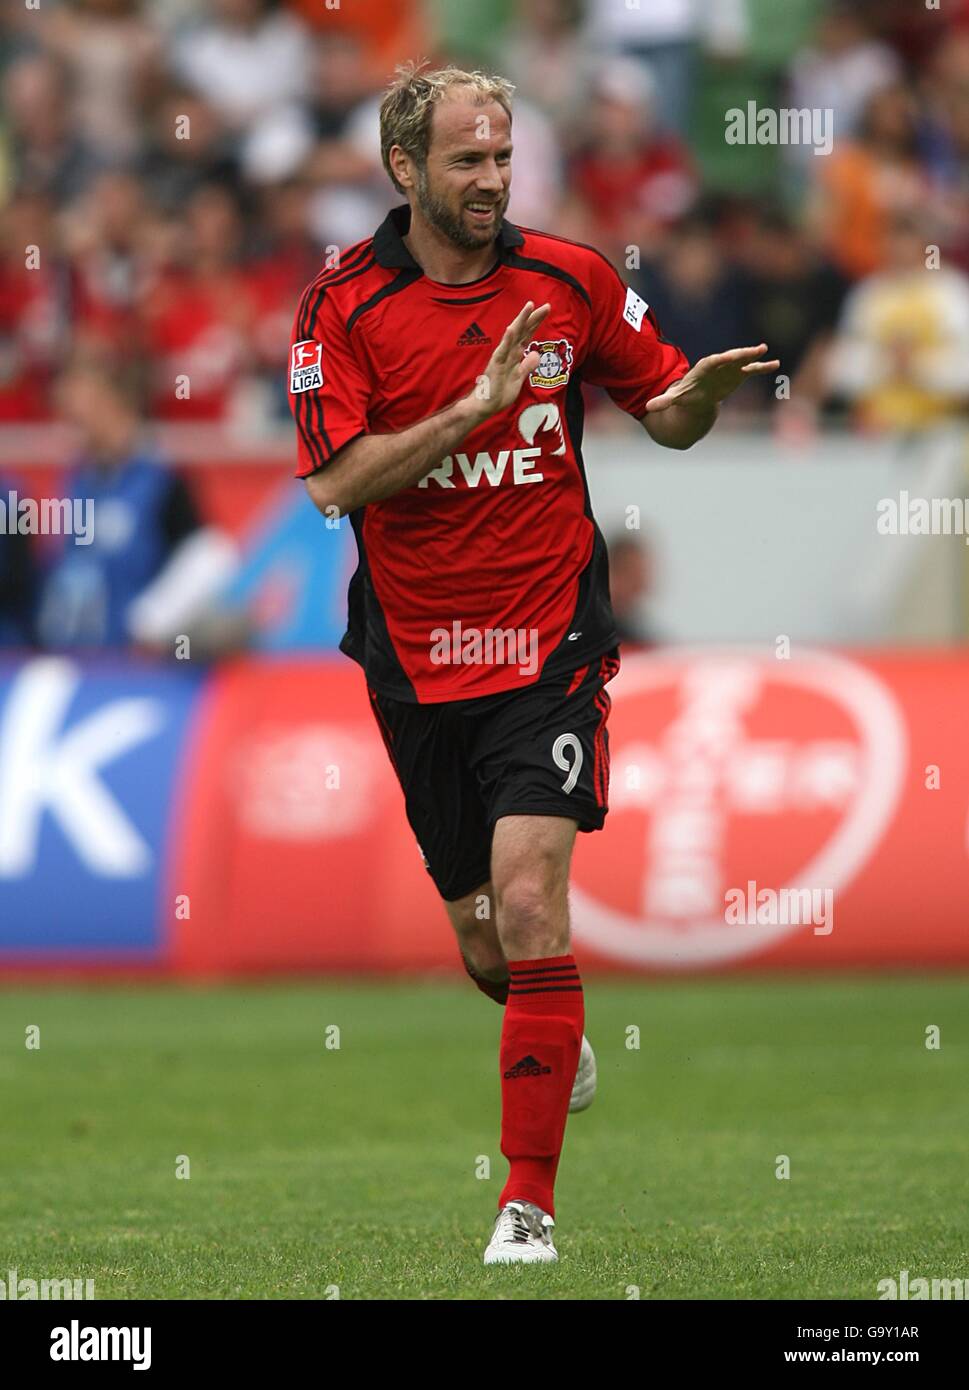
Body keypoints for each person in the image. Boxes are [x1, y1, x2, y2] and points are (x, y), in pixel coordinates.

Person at [288, 61, 778, 1266]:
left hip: (546, 637)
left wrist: (696, 403)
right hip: (415, 653)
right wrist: (470, 410)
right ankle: (550, 1029)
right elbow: (338, 483)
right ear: (406, 169)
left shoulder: (571, 278)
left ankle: (528, 1204)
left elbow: (662, 408)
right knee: (484, 942)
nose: (492, 182)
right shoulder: (340, 308)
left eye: (503, 159)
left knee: (527, 896)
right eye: (468, 161)